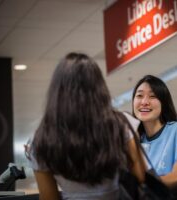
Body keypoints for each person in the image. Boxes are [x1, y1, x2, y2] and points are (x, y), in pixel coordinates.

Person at [27, 52, 146, 200]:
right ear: (99, 87)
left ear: (58, 91)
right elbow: (141, 177)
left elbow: (49, 197)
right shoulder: (120, 124)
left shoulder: (42, 139)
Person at [132, 75, 177, 187]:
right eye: (139, 95)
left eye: (152, 96)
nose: (144, 102)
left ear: (163, 102)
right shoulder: (134, 141)